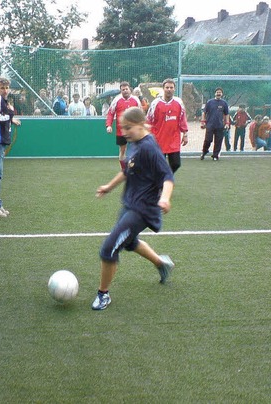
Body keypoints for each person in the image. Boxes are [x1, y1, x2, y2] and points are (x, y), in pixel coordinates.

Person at [92, 107, 176, 311]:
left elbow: (167, 177)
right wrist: (109, 187)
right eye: (122, 128)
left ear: (141, 124)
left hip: (143, 210)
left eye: (128, 127)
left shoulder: (149, 147)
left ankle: (103, 294)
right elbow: (128, 170)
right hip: (130, 203)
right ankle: (161, 264)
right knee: (129, 243)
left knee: (108, 249)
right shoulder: (134, 143)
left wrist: (164, 198)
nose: (125, 132)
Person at [0, 77, 21, 217]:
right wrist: (10, 114)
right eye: (2, 88)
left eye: (7, 88)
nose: (5, 90)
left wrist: (10, 117)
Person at [147, 78, 188, 173]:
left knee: (176, 164)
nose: (169, 89)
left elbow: (182, 119)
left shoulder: (179, 103)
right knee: (158, 165)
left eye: (171, 87)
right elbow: (149, 120)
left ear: (174, 89)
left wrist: (185, 134)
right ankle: (161, 182)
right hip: (158, 139)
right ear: (163, 89)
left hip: (173, 139)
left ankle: (165, 177)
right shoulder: (155, 103)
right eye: (167, 87)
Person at [106, 82, 141, 169]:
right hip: (121, 131)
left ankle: (134, 166)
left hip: (134, 130)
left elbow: (141, 114)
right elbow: (110, 113)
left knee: (135, 149)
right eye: (123, 90)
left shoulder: (135, 100)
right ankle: (124, 169)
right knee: (122, 150)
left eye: (126, 89)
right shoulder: (116, 100)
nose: (125, 91)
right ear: (121, 91)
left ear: (130, 90)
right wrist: (109, 125)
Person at [200, 87, 230, 161]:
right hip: (210, 125)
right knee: (208, 140)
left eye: (220, 92)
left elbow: (227, 114)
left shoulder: (224, 103)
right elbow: (204, 112)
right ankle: (204, 152)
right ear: (215, 93)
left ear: (222, 94)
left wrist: (227, 123)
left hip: (220, 126)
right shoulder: (210, 102)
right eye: (217, 92)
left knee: (218, 141)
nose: (218, 93)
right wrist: (203, 122)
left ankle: (215, 155)